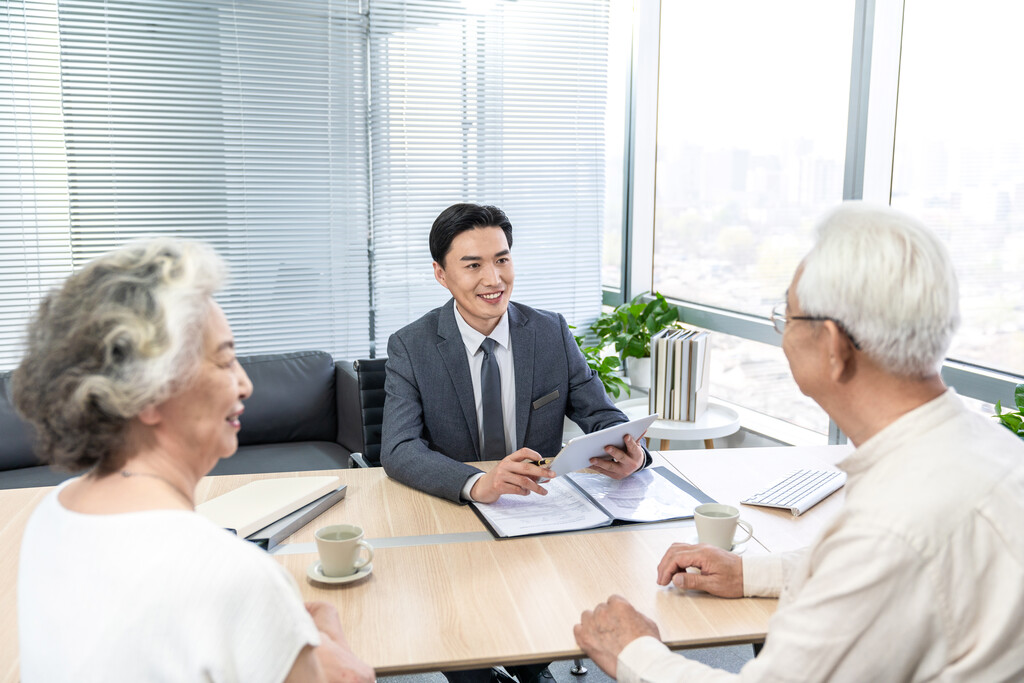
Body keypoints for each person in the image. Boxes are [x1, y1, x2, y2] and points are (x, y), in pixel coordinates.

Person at [573, 202, 1024, 682]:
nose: (783, 335)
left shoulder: (893, 525)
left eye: (786, 317)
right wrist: (748, 574)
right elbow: (860, 580)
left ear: (832, 345)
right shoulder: (988, 449)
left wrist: (635, 651)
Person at [13, 238, 375, 683]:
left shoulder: (54, 513)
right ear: (148, 390)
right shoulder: (233, 577)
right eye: (224, 362)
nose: (244, 384)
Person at [380, 203, 650, 683]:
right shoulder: (411, 346)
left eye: (502, 260)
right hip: (455, 521)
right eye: (473, 264)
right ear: (441, 274)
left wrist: (632, 452)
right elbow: (398, 448)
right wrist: (476, 482)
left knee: (537, 633)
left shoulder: (549, 332)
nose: (494, 278)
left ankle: (530, 668)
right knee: (467, 655)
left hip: (536, 514)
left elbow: (601, 415)